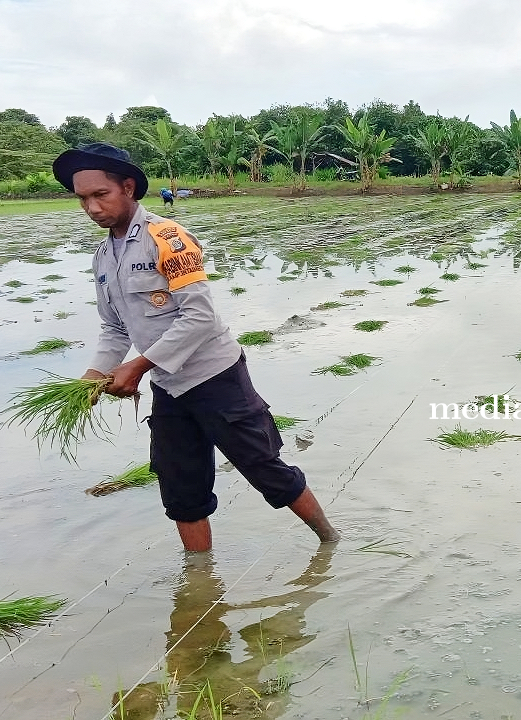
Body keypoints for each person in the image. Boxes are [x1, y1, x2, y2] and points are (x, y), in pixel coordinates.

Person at [52, 142, 339, 552]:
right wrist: (91, 380)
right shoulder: (102, 257)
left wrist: (137, 366)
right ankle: (200, 578)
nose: (92, 207)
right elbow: (115, 328)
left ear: (128, 188)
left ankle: (329, 539)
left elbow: (200, 316)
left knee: (263, 467)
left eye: (101, 195)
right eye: (83, 199)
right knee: (180, 485)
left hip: (216, 376)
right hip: (169, 387)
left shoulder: (167, 237)